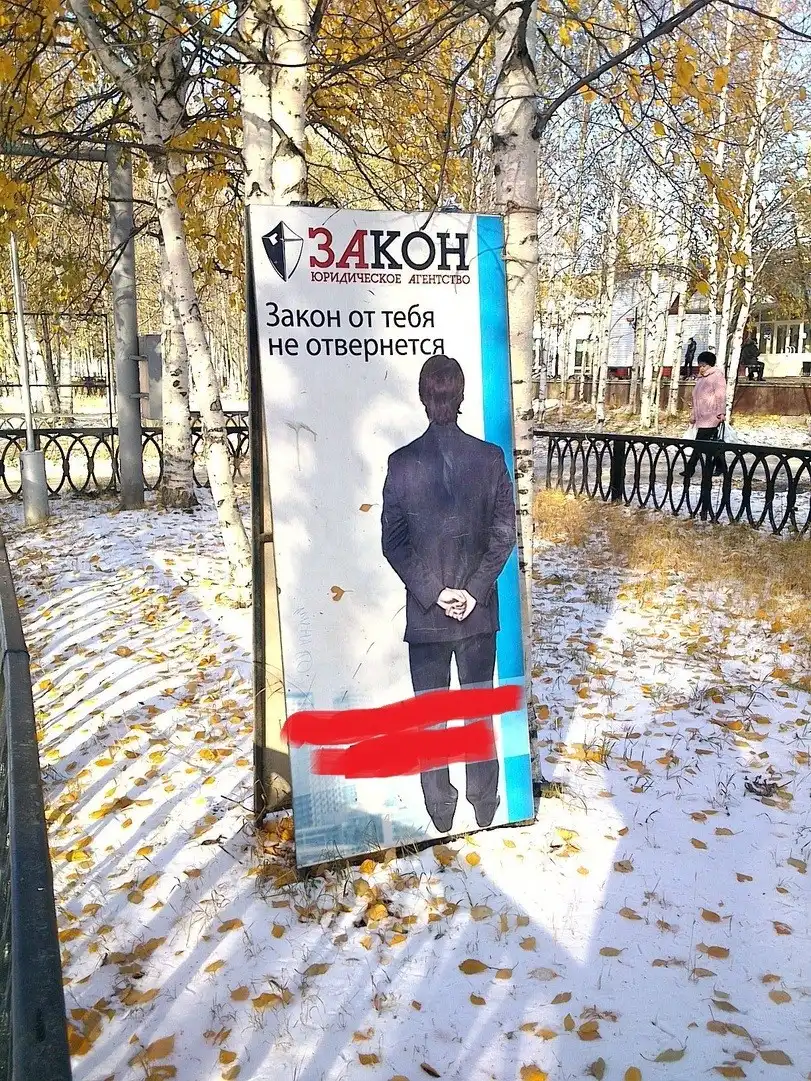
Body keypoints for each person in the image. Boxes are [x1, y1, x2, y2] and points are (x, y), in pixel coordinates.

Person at [381, 354, 516, 835]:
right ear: (460, 397)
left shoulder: (401, 463)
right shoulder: (490, 458)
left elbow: (393, 542)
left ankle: (440, 810)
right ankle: (485, 804)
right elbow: (504, 533)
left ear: (423, 397)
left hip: (427, 617)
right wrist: (473, 591)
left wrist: (436, 594)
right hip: (478, 616)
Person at [682, 350, 727, 482]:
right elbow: (696, 399)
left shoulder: (717, 376)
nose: (701, 368)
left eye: (704, 365)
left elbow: (720, 396)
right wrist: (693, 415)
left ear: (710, 365)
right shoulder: (701, 379)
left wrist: (721, 413)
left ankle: (690, 469)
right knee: (710, 445)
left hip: (712, 416)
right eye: (699, 365)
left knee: (699, 444)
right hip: (701, 416)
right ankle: (721, 466)